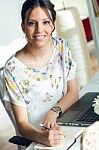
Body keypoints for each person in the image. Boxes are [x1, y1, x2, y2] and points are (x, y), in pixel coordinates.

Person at [2, 0, 79, 147]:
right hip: (36, 140)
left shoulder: (62, 47)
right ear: (23, 27)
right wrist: (42, 137)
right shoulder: (12, 70)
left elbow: (73, 93)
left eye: (45, 22)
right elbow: (22, 124)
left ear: (53, 24)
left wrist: (53, 112)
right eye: (31, 23)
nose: (39, 30)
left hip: (66, 126)